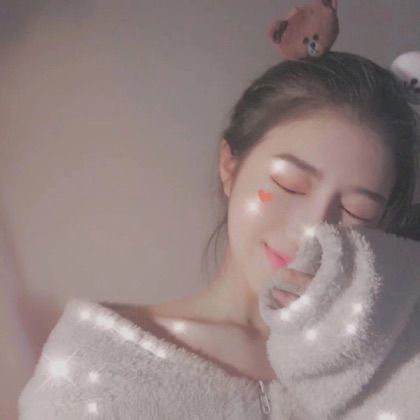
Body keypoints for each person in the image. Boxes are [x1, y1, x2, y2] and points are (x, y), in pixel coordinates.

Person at [18, 51, 420, 419]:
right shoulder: (95, 370)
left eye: (358, 211)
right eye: (288, 184)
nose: (312, 230)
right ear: (230, 166)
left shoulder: (391, 366)